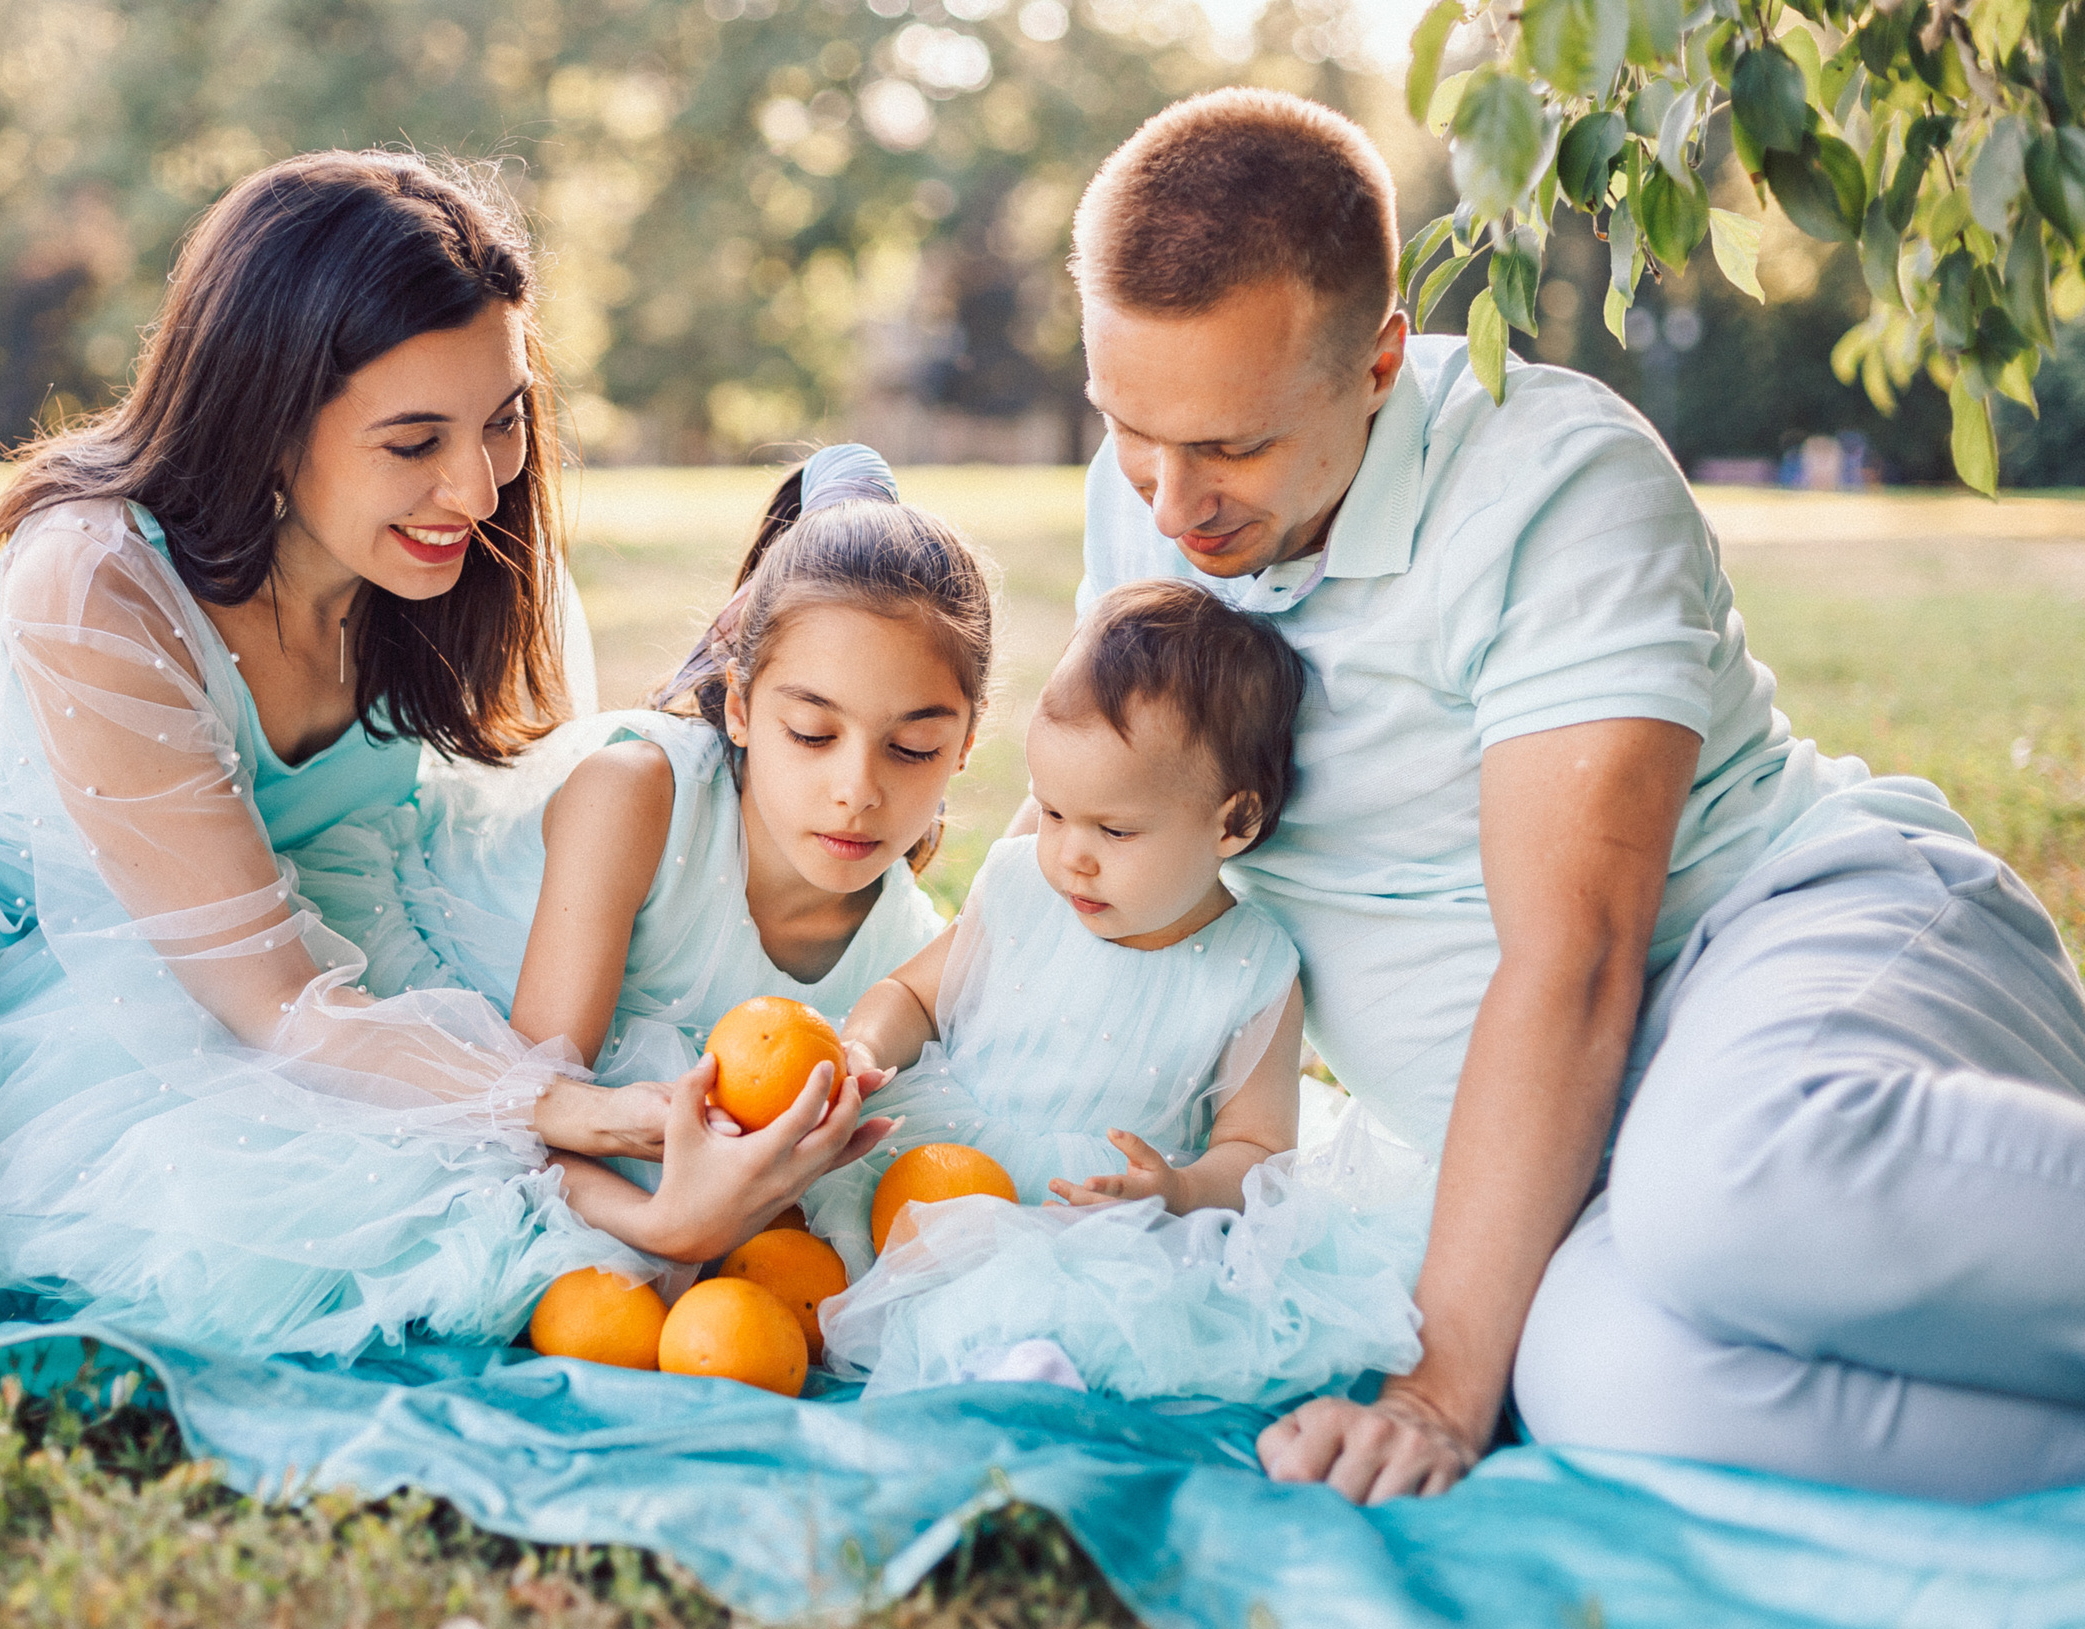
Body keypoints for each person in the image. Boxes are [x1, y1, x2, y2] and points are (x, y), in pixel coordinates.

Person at [0, 151, 879, 1360]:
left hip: (77, 986)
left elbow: (538, 840)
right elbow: (282, 1007)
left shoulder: (456, 568)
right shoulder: (99, 583)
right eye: (414, 441)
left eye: (503, 419)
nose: (479, 487)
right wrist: (584, 1113)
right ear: (267, 419)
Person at [1062, 88, 2085, 1502]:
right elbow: (1128, 852)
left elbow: (1580, 952)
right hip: (1578, 1145)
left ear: (1377, 363)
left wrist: (1435, 1392)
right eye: (1133, 429)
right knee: (1610, 1390)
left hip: (1793, 940)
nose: (1172, 503)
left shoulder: (1552, 483)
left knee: (1727, 1185)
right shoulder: (1148, 503)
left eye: (1231, 446)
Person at [806, 579, 1429, 1402]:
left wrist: (1175, 1192)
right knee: (826, 1239)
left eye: (1115, 829)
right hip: (943, 1162)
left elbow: (1256, 1154)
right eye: (1055, 812)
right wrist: (863, 1048)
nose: (1071, 855)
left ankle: (1024, 1367)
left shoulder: (1253, 967)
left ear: (1233, 823)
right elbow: (915, 997)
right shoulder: (1023, 889)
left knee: (1085, 1299)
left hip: (1102, 1220)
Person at [381, 444, 980, 1248]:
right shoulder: (632, 799)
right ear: (739, 707)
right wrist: (665, 1226)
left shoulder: (903, 959)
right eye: (811, 733)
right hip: (444, 1040)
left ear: (966, 747)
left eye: (913, 750)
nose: (858, 789)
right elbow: (523, 1114)